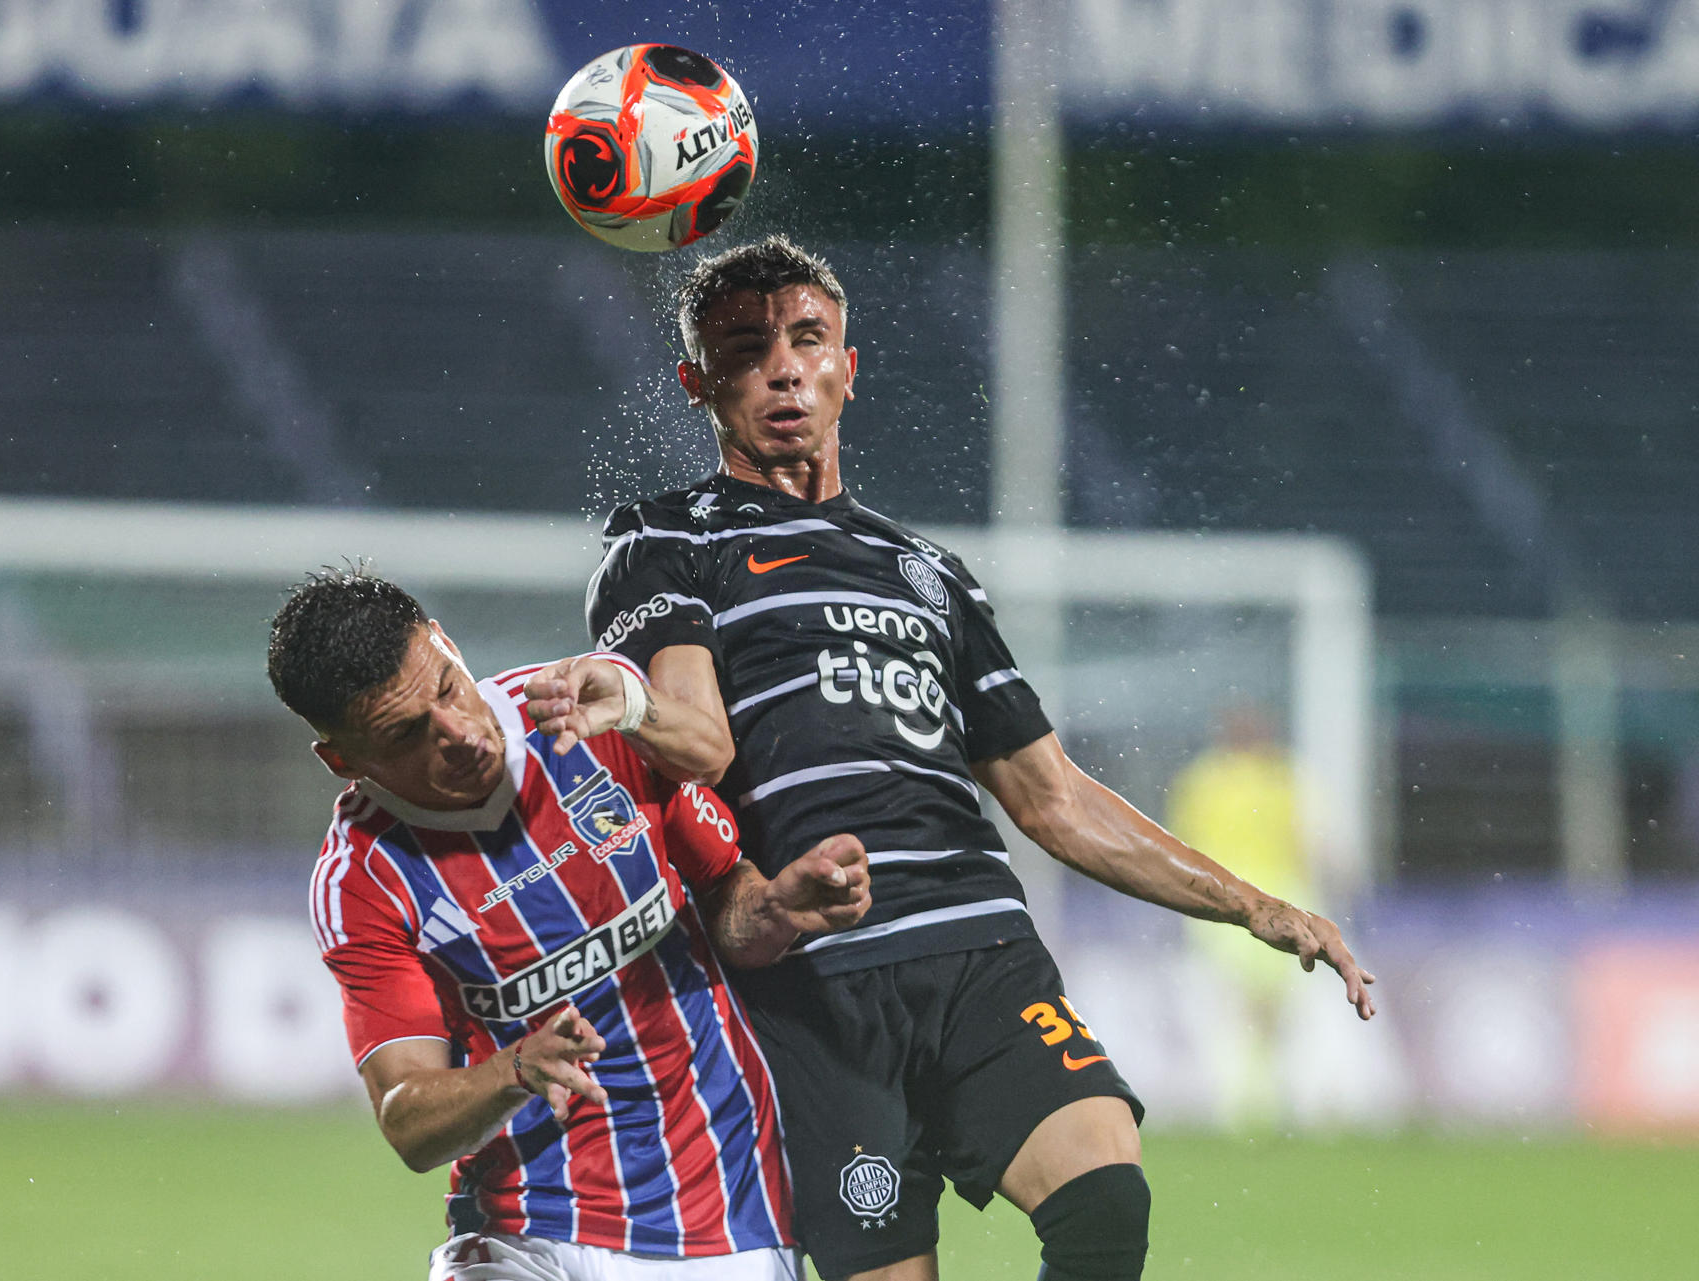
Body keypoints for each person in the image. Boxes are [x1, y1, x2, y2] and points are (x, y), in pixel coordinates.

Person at [525, 236, 1377, 1281]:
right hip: (813, 979)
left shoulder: (929, 572)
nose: (784, 369)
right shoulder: (666, 539)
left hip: (980, 949)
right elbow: (701, 741)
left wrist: (1253, 905)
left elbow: (1054, 798)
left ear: (849, 367)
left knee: (1106, 1196)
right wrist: (631, 701)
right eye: (745, 350)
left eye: (807, 340)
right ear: (699, 383)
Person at [267, 568, 870, 1281]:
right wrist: (513, 1069)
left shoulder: (586, 709)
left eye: (448, 688)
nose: (458, 734)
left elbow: (724, 903)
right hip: (525, 1226)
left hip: (722, 1209)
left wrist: (776, 910)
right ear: (342, 760)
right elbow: (408, 1121)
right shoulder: (363, 878)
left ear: (446, 642)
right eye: (406, 735)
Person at [1166, 703, 1315, 1128]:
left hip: (1234, 899)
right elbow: (1308, 842)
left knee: (1253, 1006)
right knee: (1255, 1006)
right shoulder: (1276, 776)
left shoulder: (1209, 778)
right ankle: (1251, 1099)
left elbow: (1180, 846)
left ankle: (1254, 1097)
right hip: (1255, 899)